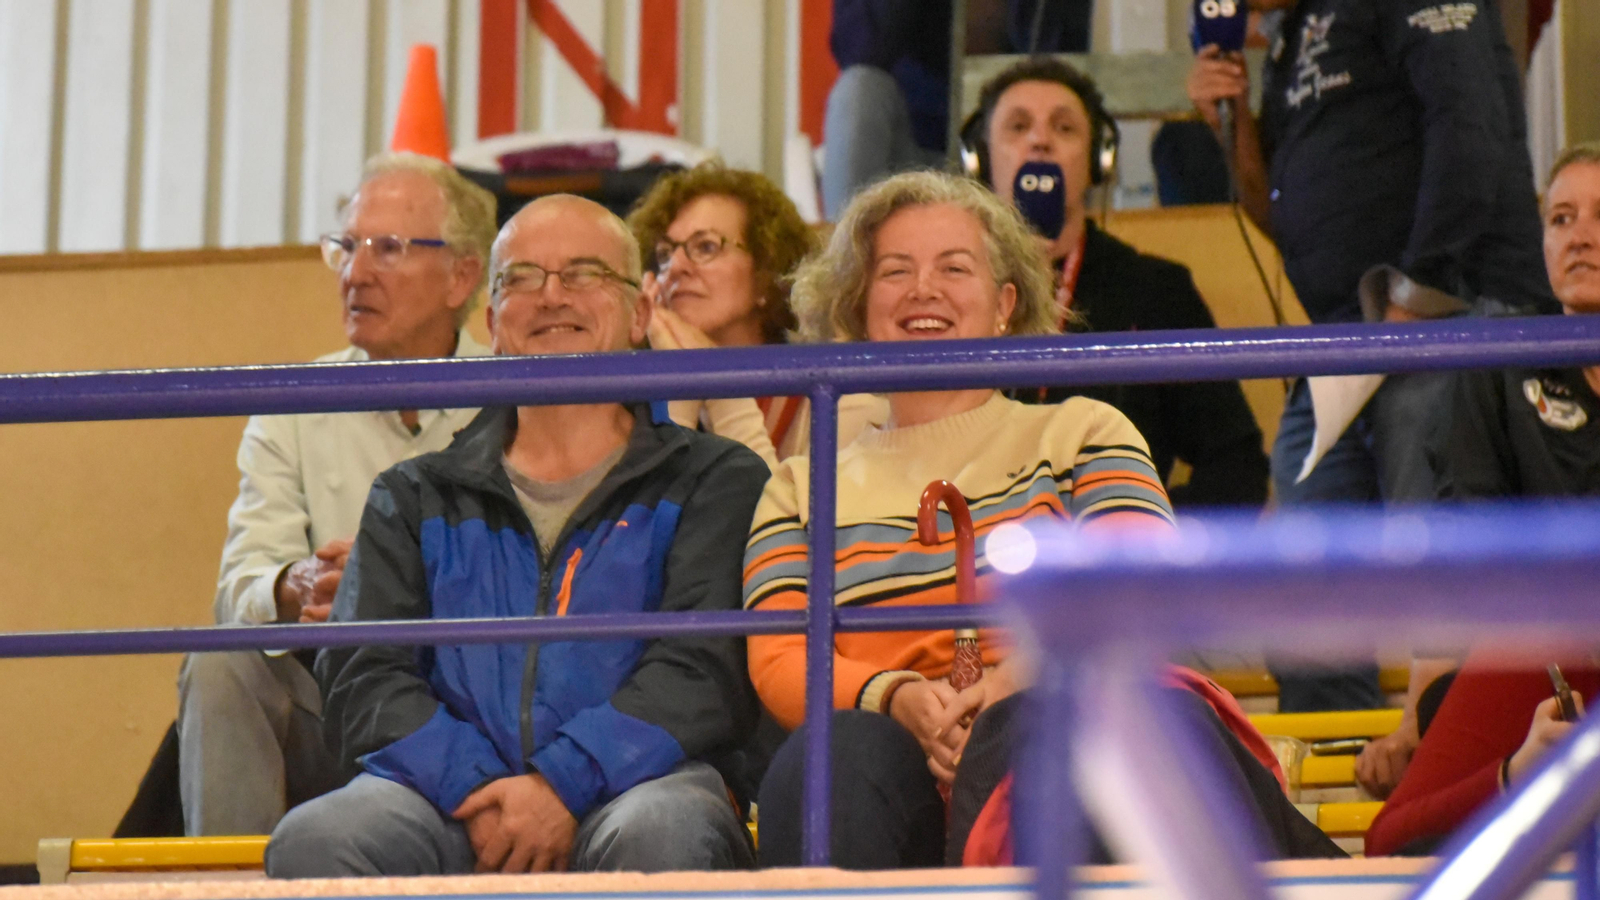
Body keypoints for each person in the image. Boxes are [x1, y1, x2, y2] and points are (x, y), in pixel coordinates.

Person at [264, 195, 768, 877]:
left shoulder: (714, 478)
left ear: (640, 314)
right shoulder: (413, 494)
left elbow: (703, 670)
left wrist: (563, 781)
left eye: (584, 273)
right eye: (523, 278)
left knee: (663, 831)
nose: (551, 297)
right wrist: (475, 786)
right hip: (451, 798)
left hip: (643, 781)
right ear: (494, 321)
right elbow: (362, 674)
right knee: (317, 840)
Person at [743, 170, 1176, 867]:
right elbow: (779, 656)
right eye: (895, 271)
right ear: (856, 308)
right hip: (883, 758)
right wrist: (898, 697)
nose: (924, 290)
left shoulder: (1083, 432)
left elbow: (1141, 587)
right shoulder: (800, 486)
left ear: (1005, 303)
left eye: (954, 267)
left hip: (1050, 725)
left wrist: (1010, 684)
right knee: (829, 754)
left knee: (1045, 723)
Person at [1188, 0, 1558, 715]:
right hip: (1339, 347)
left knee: (1448, 598)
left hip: (1448, 321)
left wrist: (1414, 300)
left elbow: (1468, 125)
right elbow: (1277, 205)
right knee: (1306, 610)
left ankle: (1463, 806)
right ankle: (1332, 818)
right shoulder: (1293, 30)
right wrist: (1226, 120)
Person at [177, 153, 495, 837]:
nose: (355, 273)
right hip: (339, 707)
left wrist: (392, 589)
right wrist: (301, 585)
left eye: (388, 249)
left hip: (478, 711)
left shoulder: (514, 400)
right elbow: (240, 587)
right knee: (219, 661)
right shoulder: (292, 402)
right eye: (346, 248)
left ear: (462, 276)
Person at [1360, 149, 1600, 853]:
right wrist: (1416, 720)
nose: (1580, 235)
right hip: (1537, 653)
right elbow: (1462, 551)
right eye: (1561, 218)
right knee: (1392, 841)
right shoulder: (1500, 361)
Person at [968, 57, 1269, 509]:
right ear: (980, 159)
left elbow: (1236, 465)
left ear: (1098, 161)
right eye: (1018, 126)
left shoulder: (1154, 290)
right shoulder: (946, 289)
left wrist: (1145, 535)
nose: (1040, 140)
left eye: (1064, 128)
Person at [627, 162, 887, 466]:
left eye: (706, 246)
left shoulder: (836, 402)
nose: (676, 267)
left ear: (766, 273)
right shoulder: (630, 398)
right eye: (665, 254)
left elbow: (768, 510)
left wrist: (713, 381)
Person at [822, 0, 1092, 219]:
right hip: (914, 147)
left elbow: (1063, 60)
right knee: (858, 88)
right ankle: (845, 262)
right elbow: (859, 50)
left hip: (1009, 152)